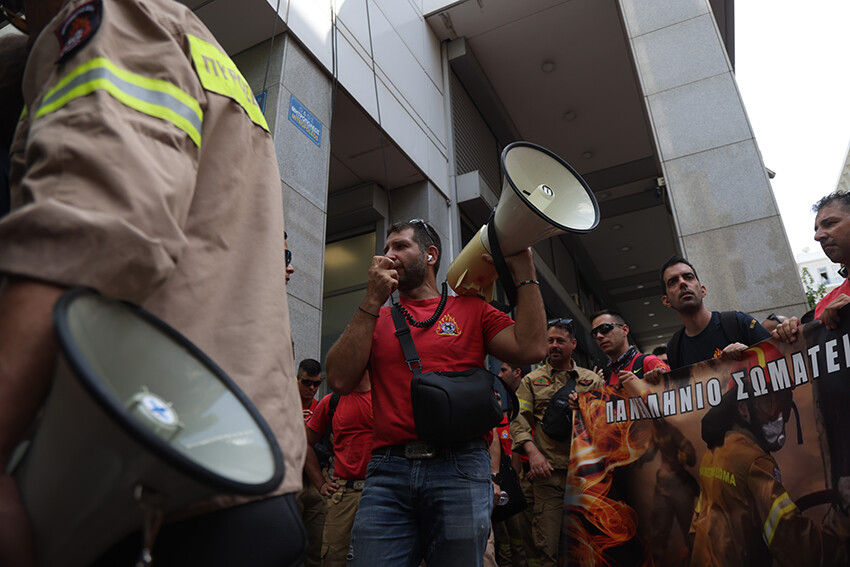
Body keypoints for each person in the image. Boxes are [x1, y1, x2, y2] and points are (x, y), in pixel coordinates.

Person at [0, 0, 306, 565]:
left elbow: (86, 234)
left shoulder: (112, 18)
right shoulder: (193, 43)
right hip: (222, 475)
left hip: (136, 490)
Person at [325, 219, 546, 567]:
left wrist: (524, 272)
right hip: (387, 470)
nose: (388, 255)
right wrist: (370, 299)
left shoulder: (473, 309)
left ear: (430, 255)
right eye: (385, 249)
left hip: (460, 465)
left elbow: (532, 347)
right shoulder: (374, 317)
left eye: (400, 246)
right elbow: (338, 380)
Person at [691, 374, 850, 566]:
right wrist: (843, 530)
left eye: (782, 401)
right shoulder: (754, 460)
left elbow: (698, 524)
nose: (778, 414)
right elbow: (793, 541)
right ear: (743, 409)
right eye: (767, 402)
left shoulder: (714, 453)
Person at [510, 318, 603, 567]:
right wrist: (533, 453)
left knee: (589, 545)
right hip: (548, 476)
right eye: (549, 340)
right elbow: (518, 419)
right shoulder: (531, 381)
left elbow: (605, 424)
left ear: (572, 344)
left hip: (586, 476)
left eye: (560, 341)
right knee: (547, 547)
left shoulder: (591, 380)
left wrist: (582, 410)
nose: (553, 345)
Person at [304, 372, 373, 567]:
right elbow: (305, 443)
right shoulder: (332, 401)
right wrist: (321, 484)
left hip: (381, 490)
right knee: (333, 558)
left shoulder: (387, 396)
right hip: (343, 493)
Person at [659, 256, 771, 369]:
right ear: (666, 301)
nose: (682, 283)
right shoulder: (675, 348)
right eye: (673, 282)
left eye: (688, 277)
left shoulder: (739, 322)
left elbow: (779, 357)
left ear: (702, 291)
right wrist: (658, 383)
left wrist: (749, 353)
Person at [775, 192, 850, 343]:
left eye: (830, 224)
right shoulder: (826, 303)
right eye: (816, 229)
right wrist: (797, 337)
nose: (818, 236)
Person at [493, 362, 532, 567]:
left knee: (519, 534)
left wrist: (517, 477)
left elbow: (517, 448)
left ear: (517, 372)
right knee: (502, 537)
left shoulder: (514, 416)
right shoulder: (494, 424)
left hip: (517, 482)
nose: (499, 374)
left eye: (504, 370)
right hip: (498, 483)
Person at [296, 358, 326, 567]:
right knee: (289, 543)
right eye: (307, 383)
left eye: (317, 383)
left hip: (317, 483)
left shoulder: (322, 407)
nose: (312, 388)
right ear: (296, 380)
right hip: (293, 481)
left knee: (317, 547)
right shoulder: (284, 407)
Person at [590, 309, 669, 386]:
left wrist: (640, 386)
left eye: (604, 328)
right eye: (594, 333)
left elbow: (676, 391)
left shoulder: (649, 362)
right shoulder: (607, 383)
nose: (599, 336)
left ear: (624, 330)